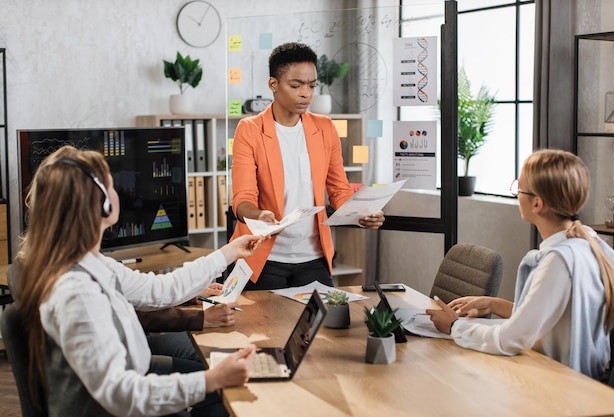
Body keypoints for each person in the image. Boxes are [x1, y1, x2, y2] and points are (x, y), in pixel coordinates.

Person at [16, 145, 265, 416]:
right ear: (101, 203)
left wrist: (228, 252)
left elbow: (160, 290)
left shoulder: (92, 263)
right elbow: (119, 394)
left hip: (135, 376)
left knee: (222, 390)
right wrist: (213, 379)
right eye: (111, 186)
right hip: (114, 406)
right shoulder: (76, 292)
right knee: (224, 394)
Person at [426, 149, 614, 380]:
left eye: (518, 188)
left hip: (558, 389)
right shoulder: (589, 242)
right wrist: (495, 305)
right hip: (581, 382)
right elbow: (554, 315)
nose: (516, 194)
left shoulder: (559, 261)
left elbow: (511, 339)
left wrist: (454, 327)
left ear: (537, 204)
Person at [230, 41, 385, 290]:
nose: (306, 93)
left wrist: (361, 213)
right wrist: (259, 215)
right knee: (268, 328)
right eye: (296, 85)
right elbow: (242, 199)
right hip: (264, 257)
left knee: (328, 325)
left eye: (312, 85)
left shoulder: (324, 128)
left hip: (313, 258)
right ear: (273, 85)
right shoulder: (250, 130)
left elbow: (339, 191)